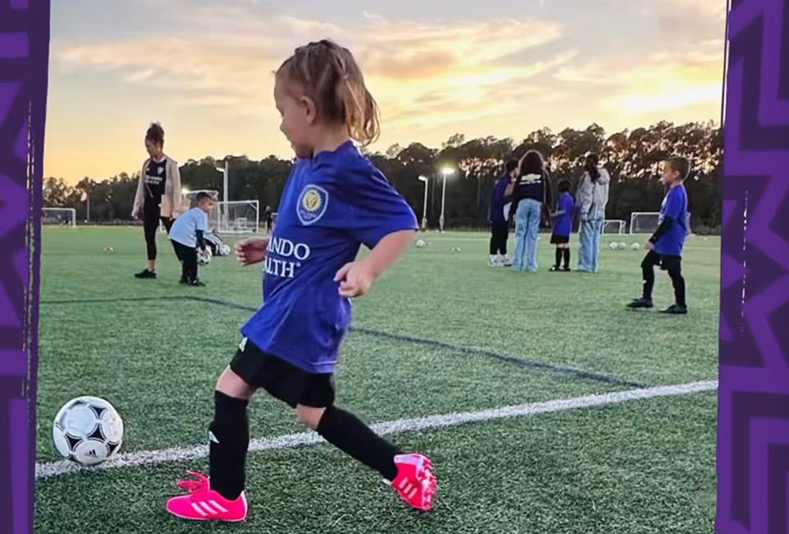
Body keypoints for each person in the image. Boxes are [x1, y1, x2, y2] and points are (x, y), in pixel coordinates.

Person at [164, 39, 437, 523]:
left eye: (282, 111)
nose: (281, 123)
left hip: (297, 317)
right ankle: (398, 466)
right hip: (298, 316)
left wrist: (368, 268)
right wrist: (270, 246)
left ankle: (226, 496)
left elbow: (402, 221)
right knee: (314, 414)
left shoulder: (348, 170)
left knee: (231, 387)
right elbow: (308, 229)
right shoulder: (307, 165)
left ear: (308, 109)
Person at [627, 156, 690, 314]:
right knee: (646, 264)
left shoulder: (677, 193)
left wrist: (653, 239)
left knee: (674, 272)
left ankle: (681, 305)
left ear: (675, 174)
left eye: (665, 171)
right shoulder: (671, 191)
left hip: (671, 240)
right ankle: (646, 298)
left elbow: (669, 220)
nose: (662, 174)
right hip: (664, 241)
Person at [131, 123, 183, 279]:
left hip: (166, 204)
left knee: (174, 236)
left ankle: (185, 269)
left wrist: (176, 210)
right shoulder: (147, 164)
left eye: (149, 146)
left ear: (158, 144)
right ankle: (151, 269)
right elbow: (141, 187)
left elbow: (176, 189)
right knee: (149, 236)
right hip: (150, 204)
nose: (147, 149)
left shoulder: (171, 165)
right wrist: (137, 207)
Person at [508, 150, 551, 272]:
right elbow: (547, 190)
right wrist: (548, 206)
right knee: (532, 235)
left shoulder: (521, 175)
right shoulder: (542, 174)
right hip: (537, 203)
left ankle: (517, 264)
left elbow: (516, 193)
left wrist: (512, 210)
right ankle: (531, 265)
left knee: (520, 234)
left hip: (522, 203)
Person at [169, 192, 216, 286]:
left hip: (174, 235)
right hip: (184, 238)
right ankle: (193, 279)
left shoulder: (193, 211)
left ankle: (185, 277)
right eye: (209, 204)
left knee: (187, 259)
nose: (211, 207)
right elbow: (199, 234)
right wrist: (203, 247)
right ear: (201, 204)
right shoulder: (202, 215)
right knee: (192, 259)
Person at [576, 153, 610, 273]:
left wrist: (584, 211)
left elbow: (587, 195)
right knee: (595, 240)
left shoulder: (588, 177)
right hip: (601, 210)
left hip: (590, 211)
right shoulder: (605, 176)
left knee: (586, 239)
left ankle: (585, 265)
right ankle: (593, 265)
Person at [487, 159, 518, 267]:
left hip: (505, 214)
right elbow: (498, 200)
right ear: (514, 169)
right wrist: (511, 198)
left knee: (504, 235)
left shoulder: (510, 182)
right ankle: (493, 258)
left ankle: (503, 257)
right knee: (496, 236)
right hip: (498, 213)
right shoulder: (503, 182)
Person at [549, 179, 575, 271]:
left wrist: (552, 215)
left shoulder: (562, 198)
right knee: (566, 244)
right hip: (568, 224)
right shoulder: (571, 198)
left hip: (560, 224)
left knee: (559, 245)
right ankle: (566, 265)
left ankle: (557, 265)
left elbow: (563, 210)